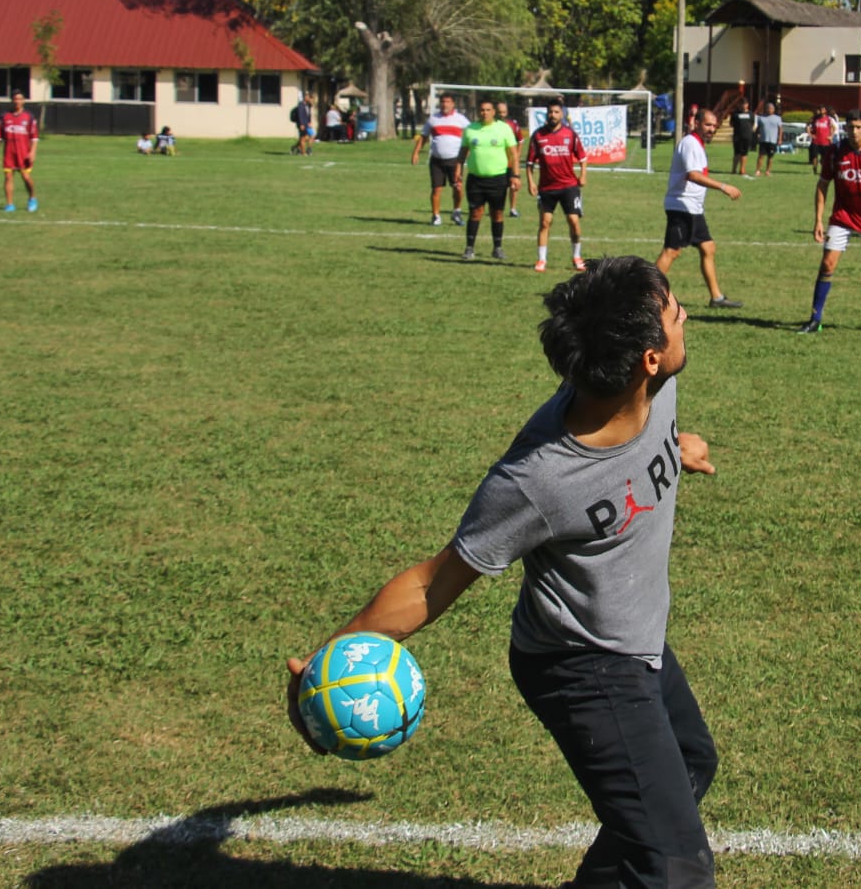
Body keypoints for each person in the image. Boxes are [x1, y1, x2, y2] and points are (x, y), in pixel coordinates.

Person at [285, 257, 721, 889]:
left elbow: (638, 452)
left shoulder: (650, 387)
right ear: (647, 358)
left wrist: (677, 448)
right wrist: (325, 669)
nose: (683, 315)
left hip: (637, 635)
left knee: (688, 763)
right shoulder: (538, 478)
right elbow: (430, 584)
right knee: (676, 868)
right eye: (674, 312)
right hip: (581, 664)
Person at [797, 109, 861, 334]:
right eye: (849, 127)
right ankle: (815, 319)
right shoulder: (835, 152)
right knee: (827, 264)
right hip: (842, 218)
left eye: (858, 127)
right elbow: (823, 185)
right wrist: (819, 220)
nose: (853, 132)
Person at [656, 108, 742, 308]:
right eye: (707, 125)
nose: (711, 129)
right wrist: (723, 186)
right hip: (681, 206)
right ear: (696, 123)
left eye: (714, 125)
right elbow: (693, 175)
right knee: (672, 251)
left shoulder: (698, 145)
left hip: (693, 208)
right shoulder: (690, 144)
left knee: (708, 247)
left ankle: (717, 298)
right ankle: (644, 295)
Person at [526, 97, 589, 273]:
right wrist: (530, 182)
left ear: (562, 114)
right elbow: (530, 163)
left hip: (569, 185)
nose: (553, 115)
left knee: (574, 221)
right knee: (545, 222)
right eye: (550, 112)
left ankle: (577, 257)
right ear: (546, 114)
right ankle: (541, 260)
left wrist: (583, 175)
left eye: (556, 112)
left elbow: (583, 158)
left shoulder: (570, 134)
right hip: (546, 187)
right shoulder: (538, 135)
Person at [457, 100, 519, 261]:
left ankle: (497, 248)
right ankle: (469, 248)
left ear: (494, 112)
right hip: (475, 179)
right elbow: (462, 154)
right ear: (478, 111)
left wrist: (515, 175)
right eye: (482, 110)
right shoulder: (470, 129)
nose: (485, 112)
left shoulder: (503, 128)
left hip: (498, 179)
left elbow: (514, 154)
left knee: (497, 213)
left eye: (488, 110)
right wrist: (458, 172)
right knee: (475, 213)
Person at [411, 93, 469, 226]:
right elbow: (423, 137)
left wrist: (468, 152)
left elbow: (471, 134)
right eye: (443, 101)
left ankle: (457, 212)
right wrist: (416, 153)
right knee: (436, 189)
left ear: (453, 104)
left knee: (458, 188)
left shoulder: (460, 119)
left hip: (454, 161)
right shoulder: (433, 119)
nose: (445, 104)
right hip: (436, 161)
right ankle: (436, 216)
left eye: (448, 101)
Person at [0, 91, 39, 213]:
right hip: (9, 152)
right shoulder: (4, 117)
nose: (17, 101)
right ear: (12, 101)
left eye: (20, 99)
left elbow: (34, 138)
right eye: (15, 99)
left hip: (23, 153)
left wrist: (33, 152)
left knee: (26, 177)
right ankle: (9, 204)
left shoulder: (29, 117)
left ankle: (32, 198)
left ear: (23, 101)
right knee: (8, 177)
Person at [496, 100, 523, 217]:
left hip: (511, 162)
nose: (501, 114)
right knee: (499, 188)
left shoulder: (513, 125)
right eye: (499, 112)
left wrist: (517, 155)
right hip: (497, 163)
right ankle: (498, 208)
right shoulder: (491, 126)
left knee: (513, 185)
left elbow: (521, 140)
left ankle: (512, 208)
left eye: (504, 112)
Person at [754, 100, 783, 176]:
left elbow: (780, 129)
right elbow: (757, 128)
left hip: (772, 140)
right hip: (763, 140)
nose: (769, 110)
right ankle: (758, 170)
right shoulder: (761, 117)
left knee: (770, 157)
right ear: (766, 109)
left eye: (771, 108)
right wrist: (757, 135)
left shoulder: (778, 118)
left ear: (773, 110)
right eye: (768, 108)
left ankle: (768, 171)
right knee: (761, 156)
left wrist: (779, 139)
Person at [729, 94, 754, 177]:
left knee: (744, 153)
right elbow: (731, 124)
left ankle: (742, 170)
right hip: (737, 136)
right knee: (737, 153)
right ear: (739, 104)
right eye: (742, 103)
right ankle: (734, 169)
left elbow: (752, 123)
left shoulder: (750, 114)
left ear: (747, 105)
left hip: (747, 136)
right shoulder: (735, 113)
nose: (744, 105)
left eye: (745, 103)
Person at [806, 105, 836, 172]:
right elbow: (807, 125)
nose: (821, 110)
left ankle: (823, 170)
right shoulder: (815, 119)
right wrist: (810, 134)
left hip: (825, 142)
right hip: (816, 141)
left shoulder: (829, 119)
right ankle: (815, 168)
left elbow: (834, 127)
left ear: (825, 110)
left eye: (822, 109)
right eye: (820, 109)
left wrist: (831, 136)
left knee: (824, 158)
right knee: (814, 156)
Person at [291, 92, 316, 156]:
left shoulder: (308, 105)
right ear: (305, 97)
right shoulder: (301, 105)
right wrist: (301, 124)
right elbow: (300, 115)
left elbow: (308, 115)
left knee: (312, 136)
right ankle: (303, 152)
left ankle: (304, 148)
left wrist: (309, 122)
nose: (311, 99)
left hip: (307, 124)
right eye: (309, 97)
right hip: (302, 124)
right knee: (303, 138)